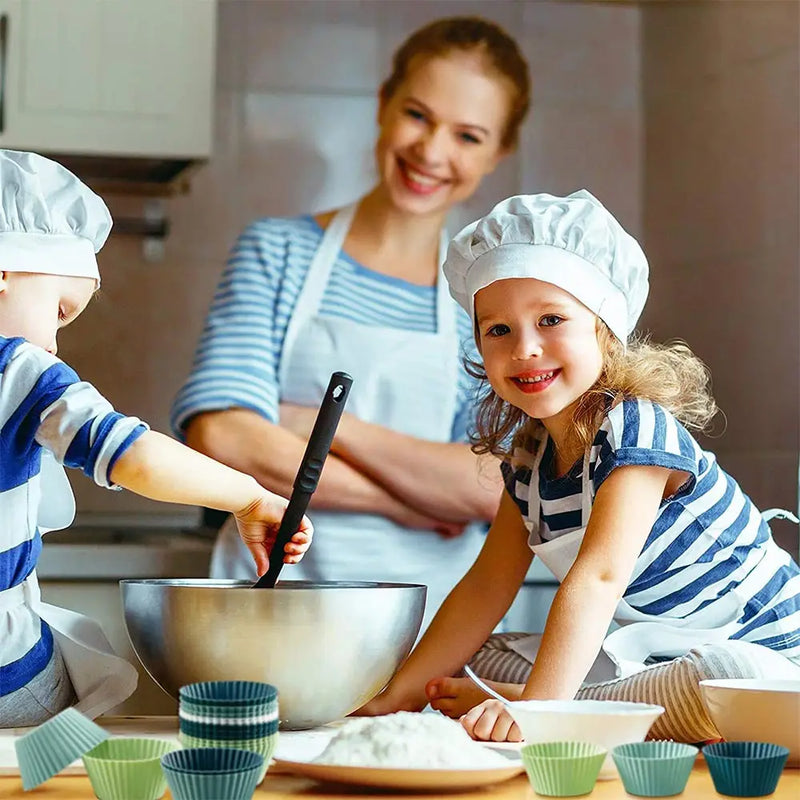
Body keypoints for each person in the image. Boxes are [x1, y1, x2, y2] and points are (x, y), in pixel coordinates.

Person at [359, 191, 800, 743]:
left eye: (550, 319)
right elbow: (485, 586)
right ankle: (571, 703)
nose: (524, 348)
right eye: (497, 330)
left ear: (605, 329)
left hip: (766, 659)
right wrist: (397, 696)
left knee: (718, 681)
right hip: (655, 657)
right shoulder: (529, 458)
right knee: (484, 658)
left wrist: (538, 710)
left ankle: (555, 707)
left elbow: (600, 578)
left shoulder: (637, 427)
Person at [170, 17, 531, 629]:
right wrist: (405, 502)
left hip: (431, 624)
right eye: (418, 115)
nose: (432, 151)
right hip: (271, 604)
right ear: (384, 104)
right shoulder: (276, 252)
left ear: (498, 152)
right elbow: (222, 438)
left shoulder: (487, 299)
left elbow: (492, 488)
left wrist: (321, 426)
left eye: (468, 136)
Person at [0, 149, 312, 728]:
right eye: (61, 311)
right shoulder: (20, 370)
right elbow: (135, 456)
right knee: (74, 732)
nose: (55, 344)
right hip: (4, 670)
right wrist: (248, 497)